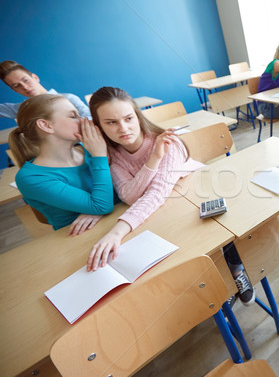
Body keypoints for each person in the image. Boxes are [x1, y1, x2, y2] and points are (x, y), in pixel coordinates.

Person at [87, 87, 255, 305]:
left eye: (128, 118)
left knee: (216, 229)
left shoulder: (168, 141)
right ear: (98, 126)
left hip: (200, 195)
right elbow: (129, 196)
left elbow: (156, 192)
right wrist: (154, 160)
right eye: (111, 122)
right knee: (180, 239)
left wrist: (117, 232)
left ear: (137, 116)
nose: (123, 128)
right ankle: (213, 278)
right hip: (169, 207)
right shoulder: (115, 156)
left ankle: (236, 269)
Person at [9, 94, 114, 233]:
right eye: (73, 116)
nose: (83, 120)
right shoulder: (30, 178)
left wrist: (96, 209)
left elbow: (118, 194)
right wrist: (100, 156)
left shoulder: (89, 150)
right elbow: (102, 205)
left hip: (117, 224)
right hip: (82, 240)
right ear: (46, 125)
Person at [0, 60, 91, 119]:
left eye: (26, 80)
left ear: (35, 77)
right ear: (14, 90)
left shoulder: (69, 98)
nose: (25, 87)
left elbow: (90, 119)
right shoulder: (24, 109)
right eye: (16, 85)